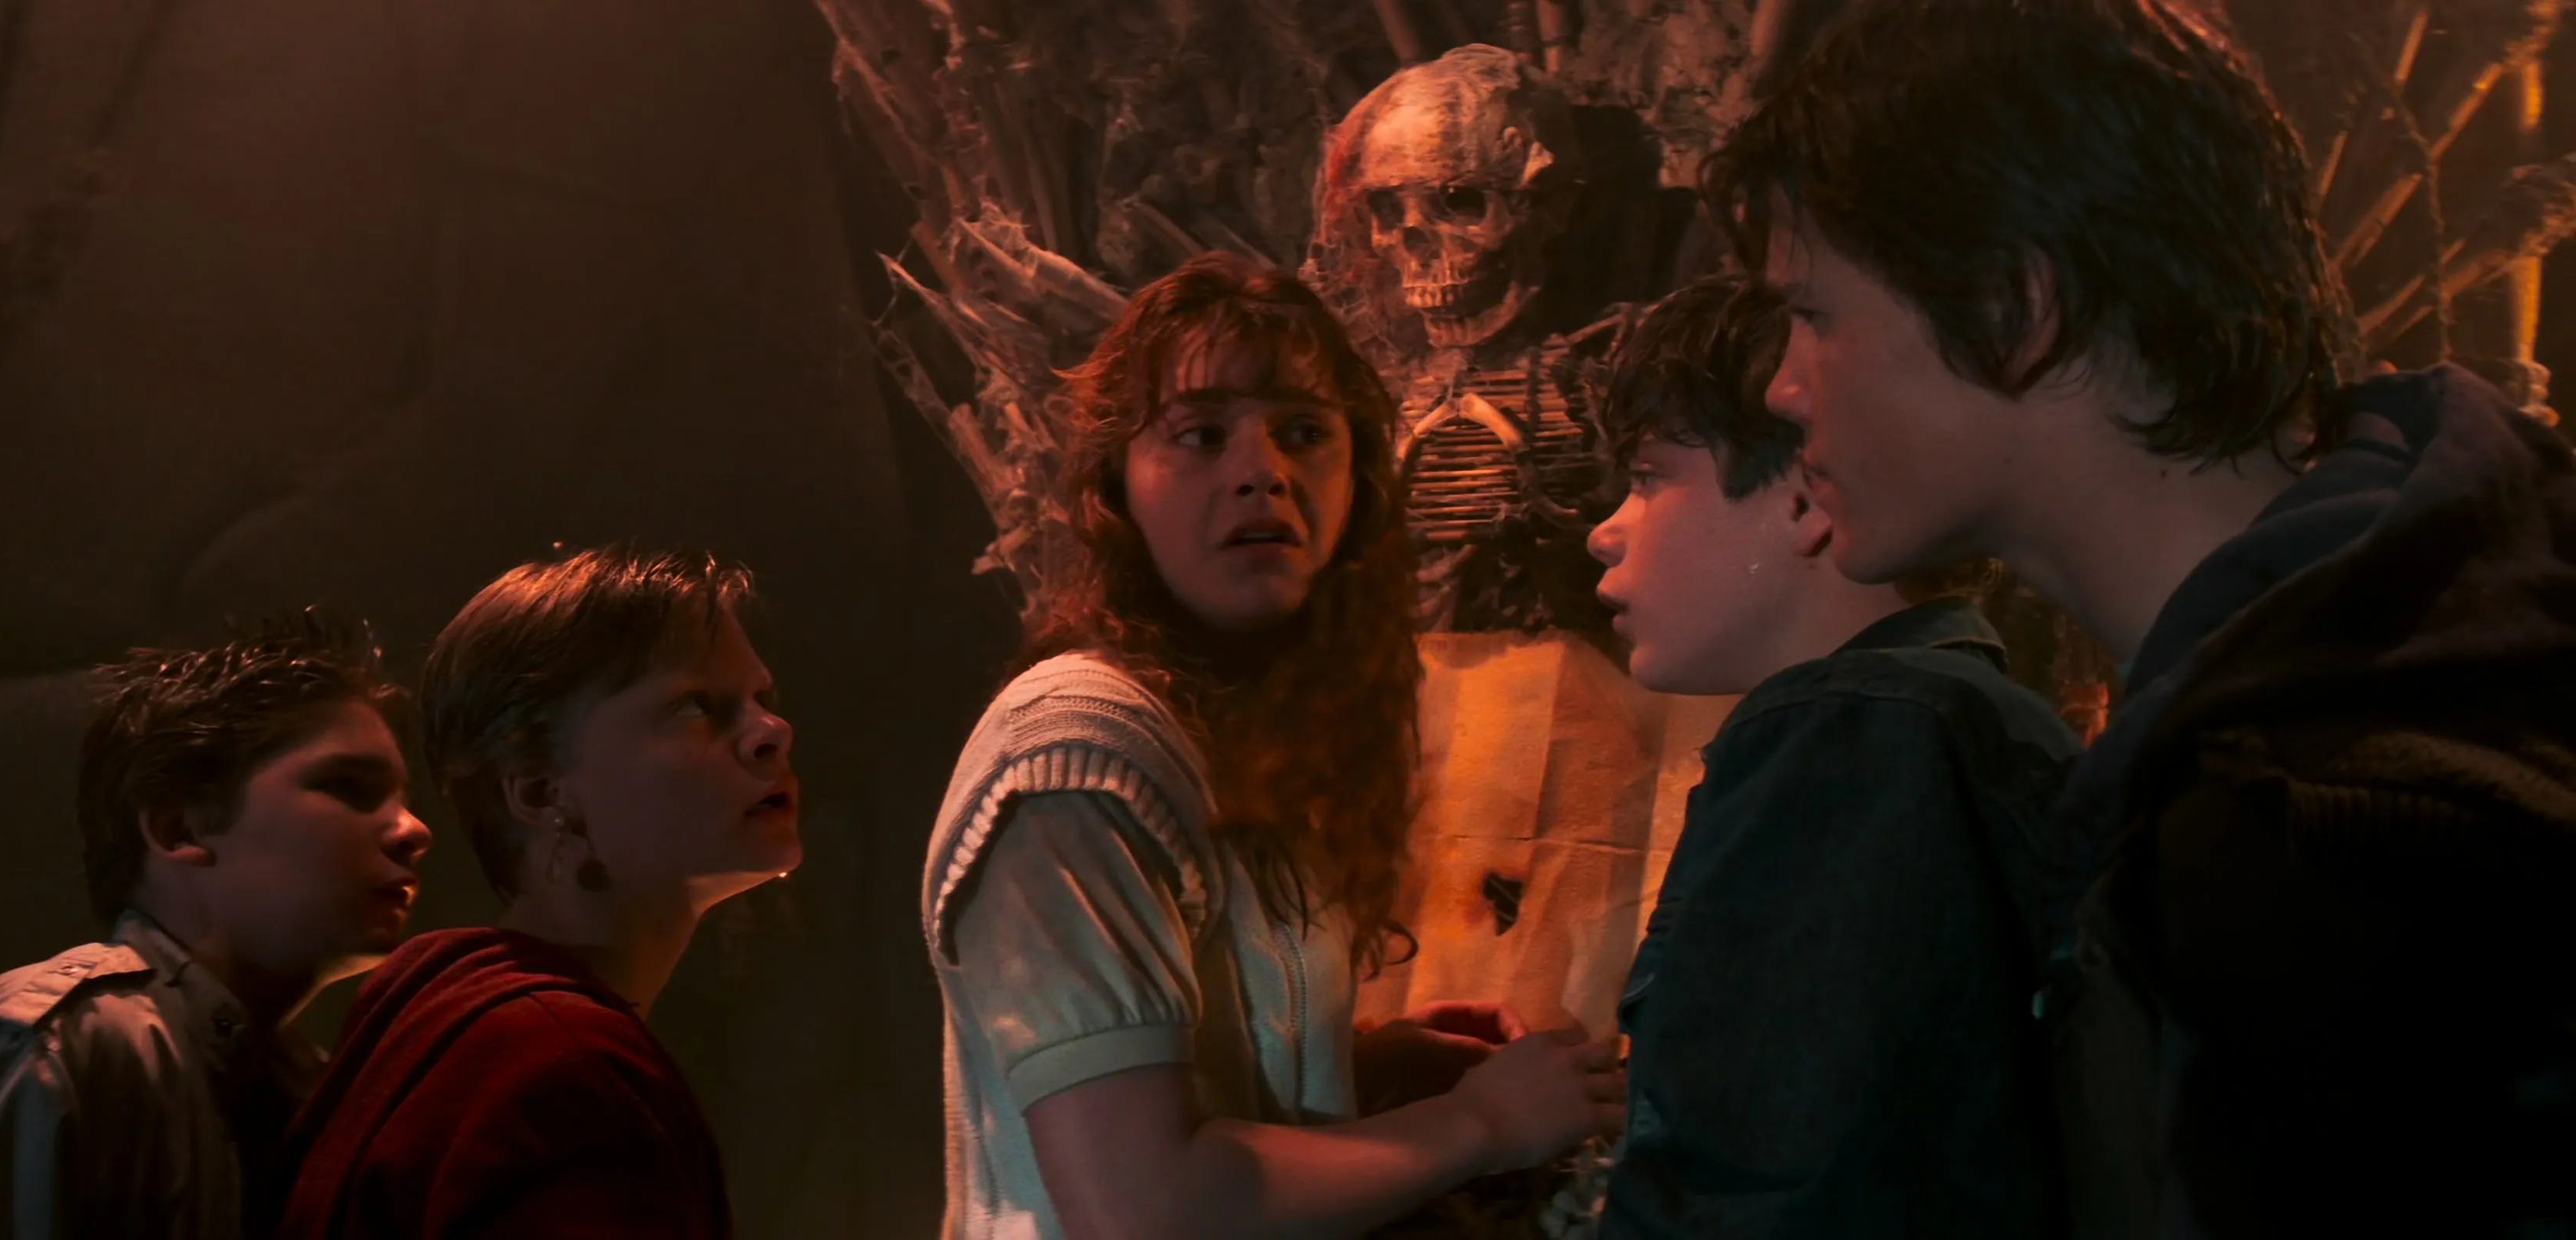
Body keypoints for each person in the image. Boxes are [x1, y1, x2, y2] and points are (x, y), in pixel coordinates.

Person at [1709, 0, 2576, 1231]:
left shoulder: (2312, 848)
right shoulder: (2438, 633)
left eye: (1814, 315)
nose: (1781, 388)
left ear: (2015, 309)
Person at [923, 250, 1624, 1240]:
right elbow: (1142, 1209)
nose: (1262, 472)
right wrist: (1478, 1124)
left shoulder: (1241, 734)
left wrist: (1363, 1069)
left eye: (1303, 431)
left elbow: (1194, 1090)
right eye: (1201, 434)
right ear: (1119, 486)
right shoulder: (1077, 759)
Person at [1582, 275, 2077, 1236]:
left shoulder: (1849, 736)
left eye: (1647, 478)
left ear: (1807, 492)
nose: (1606, 531)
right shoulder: (1943, 720)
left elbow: (1767, 1189)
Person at [0, 611, 432, 1239]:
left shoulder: (312, 1093)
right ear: (179, 828)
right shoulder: (41, 1055)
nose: (413, 829)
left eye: (403, 798)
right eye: (348, 786)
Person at [280, 546, 798, 1239]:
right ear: (539, 790)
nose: (772, 732)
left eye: (763, 700)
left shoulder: (443, 1017)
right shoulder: (561, 1074)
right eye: (695, 706)